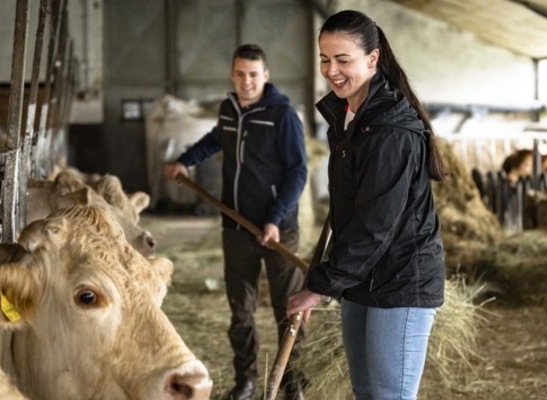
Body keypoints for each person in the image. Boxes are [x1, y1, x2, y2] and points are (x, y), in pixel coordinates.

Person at [285, 9, 447, 400]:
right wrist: (330, 275)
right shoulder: (347, 118)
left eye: (343, 60)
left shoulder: (390, 128)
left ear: (372, 59)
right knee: (366, 393)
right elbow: (351, 212)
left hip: (402, 280)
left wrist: (320, 286)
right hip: (362, 278)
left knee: (389, 396)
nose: (331, 70)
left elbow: (376, 222)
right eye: (325, 59)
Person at [164, 43, 308, 400]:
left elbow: (298, 172)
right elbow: (217, 139)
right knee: (239, 310)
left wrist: (275, 219)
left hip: (279, 230)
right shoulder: (229, 109)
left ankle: (293, 383)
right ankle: (246, 381)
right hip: (236, 227)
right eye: (240, 74)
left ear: (266, 76)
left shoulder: (282, 115)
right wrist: (186, 160)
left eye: (254, 75)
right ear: (232, 75)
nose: (247, 81)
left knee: (288, 308)